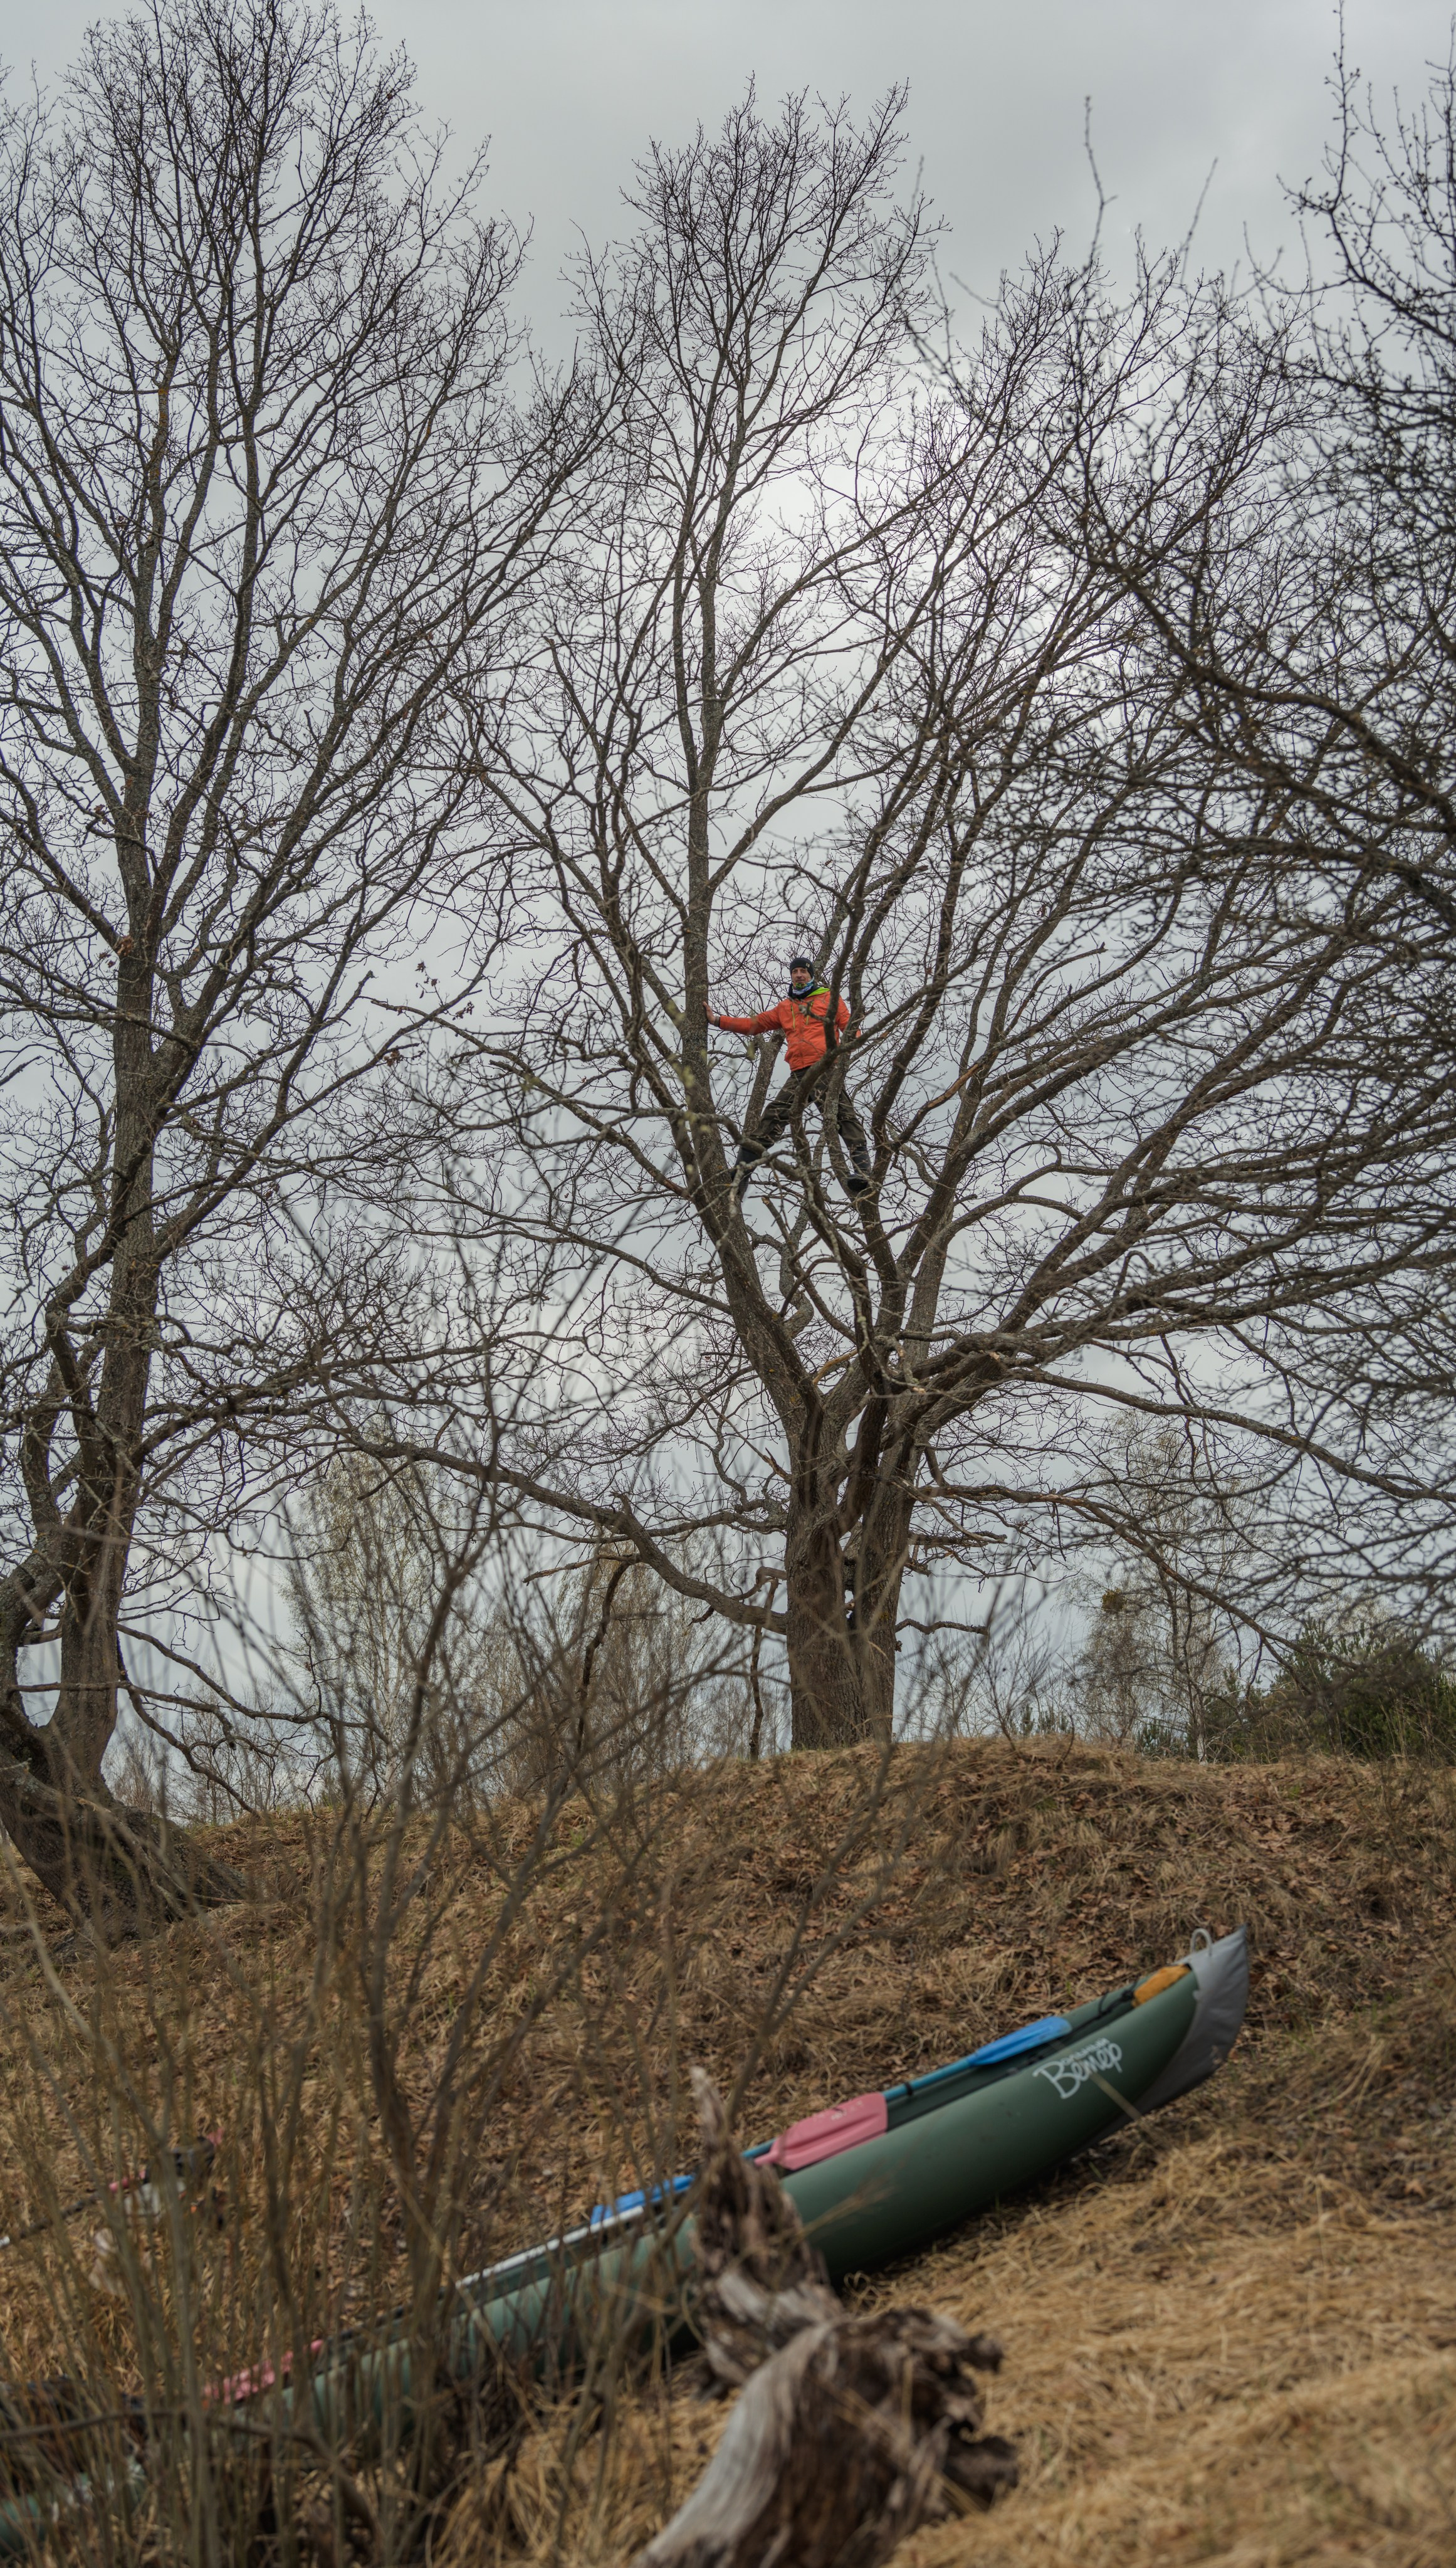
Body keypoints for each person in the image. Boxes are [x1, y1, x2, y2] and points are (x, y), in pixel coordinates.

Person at [706, 955, 872, 1209]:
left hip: (825, 1067)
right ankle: (739, 1176)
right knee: (772, 1118)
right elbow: (755, 1024)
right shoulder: (786, 1007)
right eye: (795, 971)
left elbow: (848, 1025)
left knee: (844, 1118)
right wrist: (718, 1020)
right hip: (799, 1073)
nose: (799, 975)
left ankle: (864, 1174)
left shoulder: (829, 997)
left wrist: (852, 1041)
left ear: (812, 975)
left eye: (803, 971)